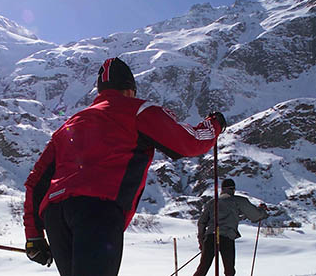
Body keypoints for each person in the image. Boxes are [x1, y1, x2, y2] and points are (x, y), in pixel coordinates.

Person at [23, 57, 227, 276]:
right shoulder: (138, 110)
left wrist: (34, 237)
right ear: (130, 89)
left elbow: (37, 181)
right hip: (97, 210)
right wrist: (214, 124)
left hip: (56, 215)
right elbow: (189, 142)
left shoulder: (70, 123)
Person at [193, 178, 268, 276]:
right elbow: (255, 216)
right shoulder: (238, 200)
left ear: (222, 189)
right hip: (227, 237)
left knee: (202, 268)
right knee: (229, 271)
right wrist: (262, 211)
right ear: (233, 189)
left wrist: (202, 241)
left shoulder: (212, 202)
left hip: (211, 237)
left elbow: (201, 222)